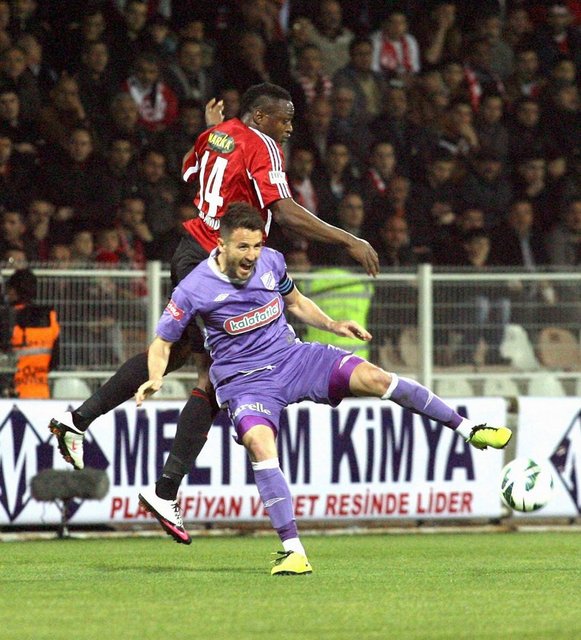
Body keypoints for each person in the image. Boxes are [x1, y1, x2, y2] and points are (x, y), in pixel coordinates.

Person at [135, 203, 512, 573]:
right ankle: (293, 551)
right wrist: (155, 376)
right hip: (245, 381)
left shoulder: (272, 261)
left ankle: (470, 430)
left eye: (257, 245)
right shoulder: (194, 288)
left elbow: (296, 302)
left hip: (294, 358)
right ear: (222, 244)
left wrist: (333, 324)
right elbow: (162, 342)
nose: (251, 255)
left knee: (378, 379)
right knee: (260, 445)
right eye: (243, 247)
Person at [49, 82, 378, 504]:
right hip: (216, 264)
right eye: (284, 119)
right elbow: (284, 211)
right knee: (214, 374)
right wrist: (349, 239)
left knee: (188, 358)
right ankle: (162, 489)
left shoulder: (217, 134)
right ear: (260, 117)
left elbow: (189, 170)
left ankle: (83, 426)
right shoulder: (263, 145)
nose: (290, 128)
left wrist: (211, 130)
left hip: (194, 250)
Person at [6, 268, 60, 398]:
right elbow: (54, 360)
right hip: (41, 394)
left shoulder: (7, 318)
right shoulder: (50, 317)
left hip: (12, 394)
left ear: (13, 291)